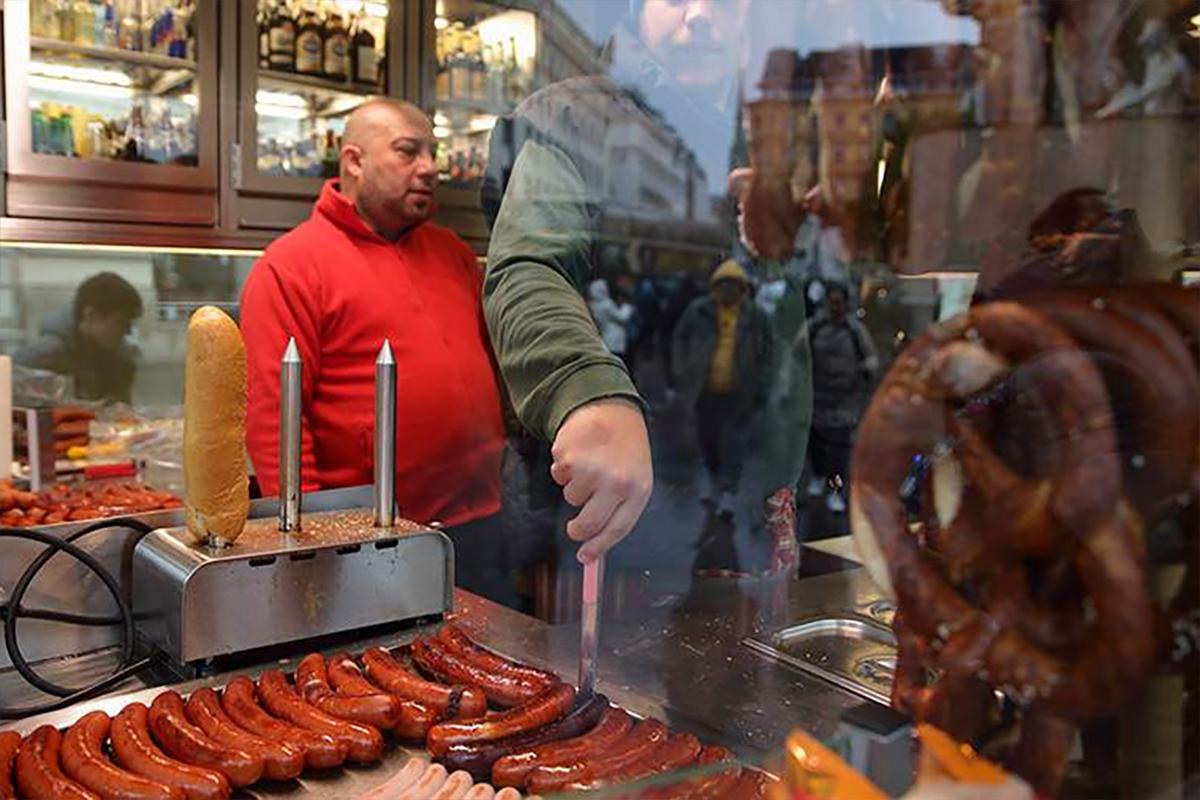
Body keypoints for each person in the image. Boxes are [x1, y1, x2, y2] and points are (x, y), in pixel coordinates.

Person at [480, 0, 750, 564]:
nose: (700, 15)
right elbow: (530, 268)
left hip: (743, 498)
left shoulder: (769, 134)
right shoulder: (576, 118)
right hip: (601, 501)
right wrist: (586, 392)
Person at [239, 100, 509, 600]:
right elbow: (274, 419)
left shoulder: (452, 253)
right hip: (369, 537)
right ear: (354, 161)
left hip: (481, 522)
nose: (430, 168)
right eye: (408, 152)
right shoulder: (292, 266)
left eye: (433, 152)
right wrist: (310, 541)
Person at [671, 260, 772, 517]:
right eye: (722, 284)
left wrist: (762, 381)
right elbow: (679, 337)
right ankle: (715, 480)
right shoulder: (699, 310)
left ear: (742, 289)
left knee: (734, 444)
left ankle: (729, 492)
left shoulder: (755, 314)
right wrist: (683, 368)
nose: (727, 290)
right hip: (704, 389)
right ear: (715, 286)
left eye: (733, 285)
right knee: (708, 440)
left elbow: (770, 350)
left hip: (740, 390)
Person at [797, 283, 877, 513]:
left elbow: (871, 357)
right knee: (815, 444)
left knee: (839, 450)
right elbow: (795, 356)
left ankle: (835, 491)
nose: (835, 306)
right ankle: (818, 477)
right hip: (815, 397)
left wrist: (865, 371)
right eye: (831, 302)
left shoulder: (855, 330)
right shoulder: (813, 328)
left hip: (843, 400)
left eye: (839, 302)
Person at [15, 272, 143, 404]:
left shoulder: (122, 359)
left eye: (130, 323)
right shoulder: (43, 357)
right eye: (121, 322)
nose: (127, 331)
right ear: (91, 314)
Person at [587, 279, 636, 375]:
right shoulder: (607, 304)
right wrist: (627, 307)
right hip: (615, 339)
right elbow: (622, 318)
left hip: (605, 339)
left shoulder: (594, 305)